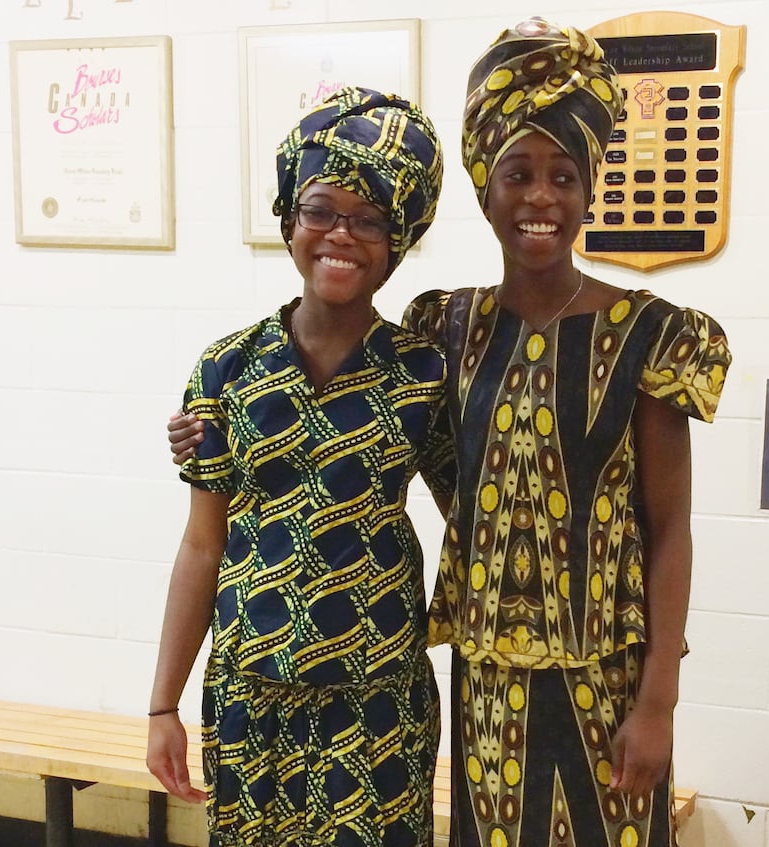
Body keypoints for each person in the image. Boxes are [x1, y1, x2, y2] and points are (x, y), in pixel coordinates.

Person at [168, 17, 731, 847]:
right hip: (485, 678)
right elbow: (362, 415)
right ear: (484, 189)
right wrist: (207, 431)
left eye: (564, 175)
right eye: (517, 174)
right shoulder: (447, 329)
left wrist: (659, 700)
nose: (540, 197)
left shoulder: (650, 336)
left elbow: (671, 527)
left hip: (609, 679)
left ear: (588, 189)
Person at [146, 86, 453, 847]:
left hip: (376, 705)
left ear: (399, 238)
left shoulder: (423, 373)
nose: (341, 235)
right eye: (321, 209)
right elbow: (201, 544)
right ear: (289, 219)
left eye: (371, 219)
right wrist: (163, 705)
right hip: (254, 700)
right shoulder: (227, 368)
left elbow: (480, 518)